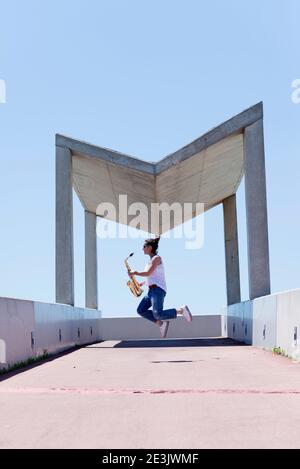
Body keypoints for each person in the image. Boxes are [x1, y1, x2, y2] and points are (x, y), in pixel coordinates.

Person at [128, 236, 192, 338]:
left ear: (150, 247)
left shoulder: (157, 258)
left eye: (144, 246)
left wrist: (135, 272)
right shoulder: (150, 261)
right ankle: (161, 324)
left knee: (157, 314)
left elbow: (148, 272)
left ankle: (181, 310)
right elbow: (152, 276)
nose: (142, 248)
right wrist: (141, 283)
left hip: (158, 290)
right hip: (151, 291)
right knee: (141, 310)